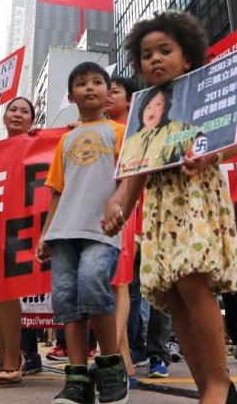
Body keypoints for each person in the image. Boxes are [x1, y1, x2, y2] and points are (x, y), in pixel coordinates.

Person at [105, 11, 237, 403]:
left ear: (188, 57)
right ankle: (209, 389)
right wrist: (117, 204)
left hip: (197, 197)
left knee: (191, 281)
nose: (155, 59)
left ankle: (218, 379)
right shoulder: (142, 113)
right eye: (147, 55)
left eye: (165, 50)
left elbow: (234, 138)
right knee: (174, 293)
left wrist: (208, 156)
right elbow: (133, 173)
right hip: (161, 211)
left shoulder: (203, 93)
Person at [35, 62, 129, 404]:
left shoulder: (120, 132)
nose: (89, 87)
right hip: (63, 231)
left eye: (97, 82)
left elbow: (130, 177)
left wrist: (119, 209)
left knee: (93, 283)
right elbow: (56, 191)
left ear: (107, 92)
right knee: (66, 300)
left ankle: (110, 365)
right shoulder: (65, 139)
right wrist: (45, 234)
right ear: (72, 95)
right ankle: (77, 376)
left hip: (101, 227)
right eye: (80, 83)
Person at [0, 94, 41, 381]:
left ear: (32, 119)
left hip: (20, 225)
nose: (17, 114)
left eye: (24, 111)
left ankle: (12, 361)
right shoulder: (1, 146)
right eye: (13, 110)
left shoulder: (35, 143)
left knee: (6, 290)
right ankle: (8, 358)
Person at [107, 76, 143, 387]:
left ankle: (111, 358)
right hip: (99, 209)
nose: (106, 95)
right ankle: (125, 361)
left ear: (130, 99)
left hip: (127, 209)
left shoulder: (136, 129)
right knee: (109, 283)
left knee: (120, 282)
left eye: (114, 91)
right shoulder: (92, 128)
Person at [117, 86, 193, 175]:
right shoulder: (128, 143)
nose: (152, 111)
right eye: (148, 107)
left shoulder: (181, 129)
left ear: (166, 108)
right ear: (142, 110)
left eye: (158, 104)